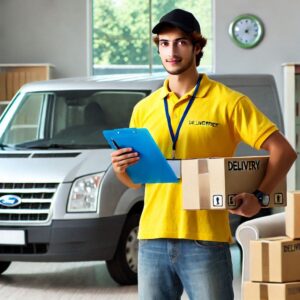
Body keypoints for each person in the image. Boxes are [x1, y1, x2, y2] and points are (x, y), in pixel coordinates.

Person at [110, 8, 297, 300]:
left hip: (205, 241)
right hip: (152, 239)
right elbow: (135, 181)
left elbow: (283, 151)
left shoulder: (229, 102)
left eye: (181, 42)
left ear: (197, 47)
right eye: (164, 43)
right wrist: (121, 167)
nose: (171, 51)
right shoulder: (144, 109)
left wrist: (259, 198)